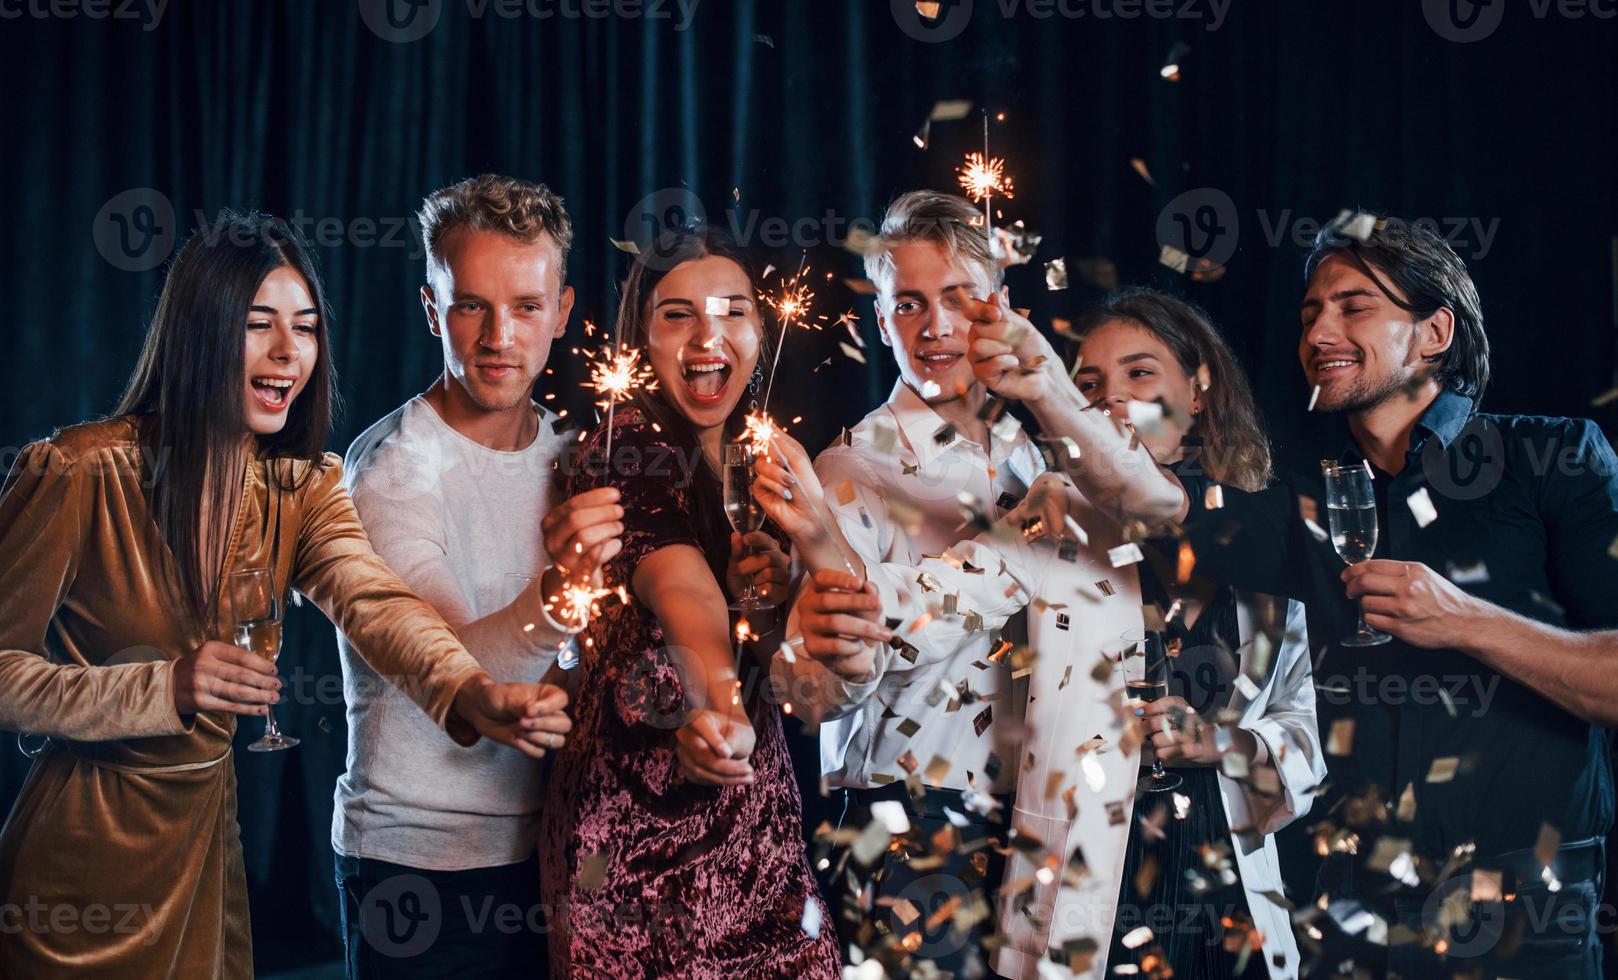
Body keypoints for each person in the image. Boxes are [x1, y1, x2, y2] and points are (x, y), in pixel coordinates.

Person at [0, 212, 571, 978]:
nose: (287, 353)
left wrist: (466, 691)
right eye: (258, 325)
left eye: (304, 328)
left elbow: (376, 603)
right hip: (76, 868)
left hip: (206, 853)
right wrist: (163, 686)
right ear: (198, 333)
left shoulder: (303, 484)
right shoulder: (74, 471)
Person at [1166, 217, 1618, 978]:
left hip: (1525, 919)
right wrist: (1044, 390)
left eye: (1354, 306)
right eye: (1311, 313)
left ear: (1435, 330)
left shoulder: (1555, 458)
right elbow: (1156, 501)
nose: (1321, 331)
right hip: (1353, 916)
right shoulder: (1308, 506)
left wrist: (1464, 620)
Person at [759, 190, 1184, 978]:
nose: (937, 327)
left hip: (1056, 826)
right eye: (909, 305)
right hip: (913, 836)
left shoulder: (1050, 452)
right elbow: (812, 694)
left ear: (1003, 306)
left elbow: (1156, 504)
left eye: (959, 298)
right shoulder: (850, 470)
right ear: (882, 322)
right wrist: (838, 652)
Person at [965, 287, 1326, 978]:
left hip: (1229, 896)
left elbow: (1304, 727)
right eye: (1090, 385)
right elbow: (941, 612)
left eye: (1139, 373)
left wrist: (1220, 742)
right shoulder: (1047, 512)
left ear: (1199, 386)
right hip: (1085, 885)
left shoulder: (1264, 538)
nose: (1111, 401)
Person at [332, 176, 623, 977]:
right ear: (432, 309)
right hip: (418, 865)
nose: (500, 335)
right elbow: (459, 674)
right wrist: (565, 589)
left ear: (562, 313)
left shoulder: (573, 455)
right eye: (471, 306)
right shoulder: (391, 471)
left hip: (554, 852)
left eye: (527, 307)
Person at [536, 226, 838, 978]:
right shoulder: (620, 449)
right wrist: (723, 708)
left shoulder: (766, 465)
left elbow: (817, 675)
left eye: (734, 311)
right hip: (635, 866)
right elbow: (681, 590)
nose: (710, 335)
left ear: (762, 331)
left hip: (763, 848)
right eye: (678, 314)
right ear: (641, 334)